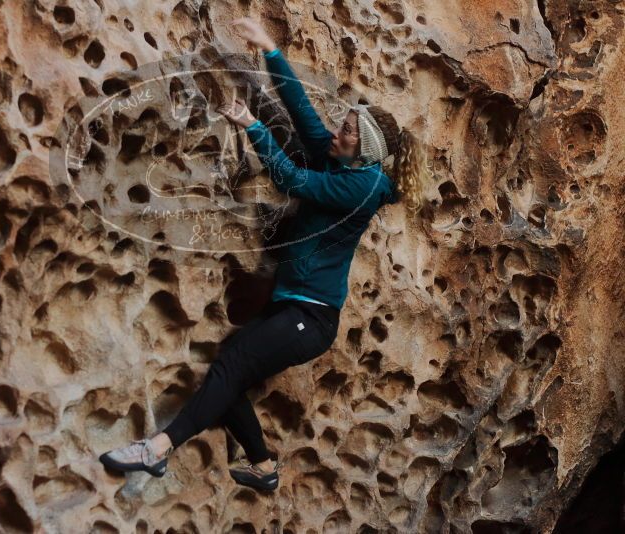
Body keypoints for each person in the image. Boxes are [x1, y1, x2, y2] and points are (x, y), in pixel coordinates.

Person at [98, 17, 431, 491]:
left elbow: (293, 181)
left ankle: (157, 450)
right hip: (291, 304)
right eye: (345, 125)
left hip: (311, 319)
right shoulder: (343, 159)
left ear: (365, 151)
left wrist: (253, 126)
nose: (338, 131)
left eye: (349, 132)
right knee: (231, 369)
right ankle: (263, 466)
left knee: (231, 367)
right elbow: (303, 113)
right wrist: (271, 51)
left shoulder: (363, 185)